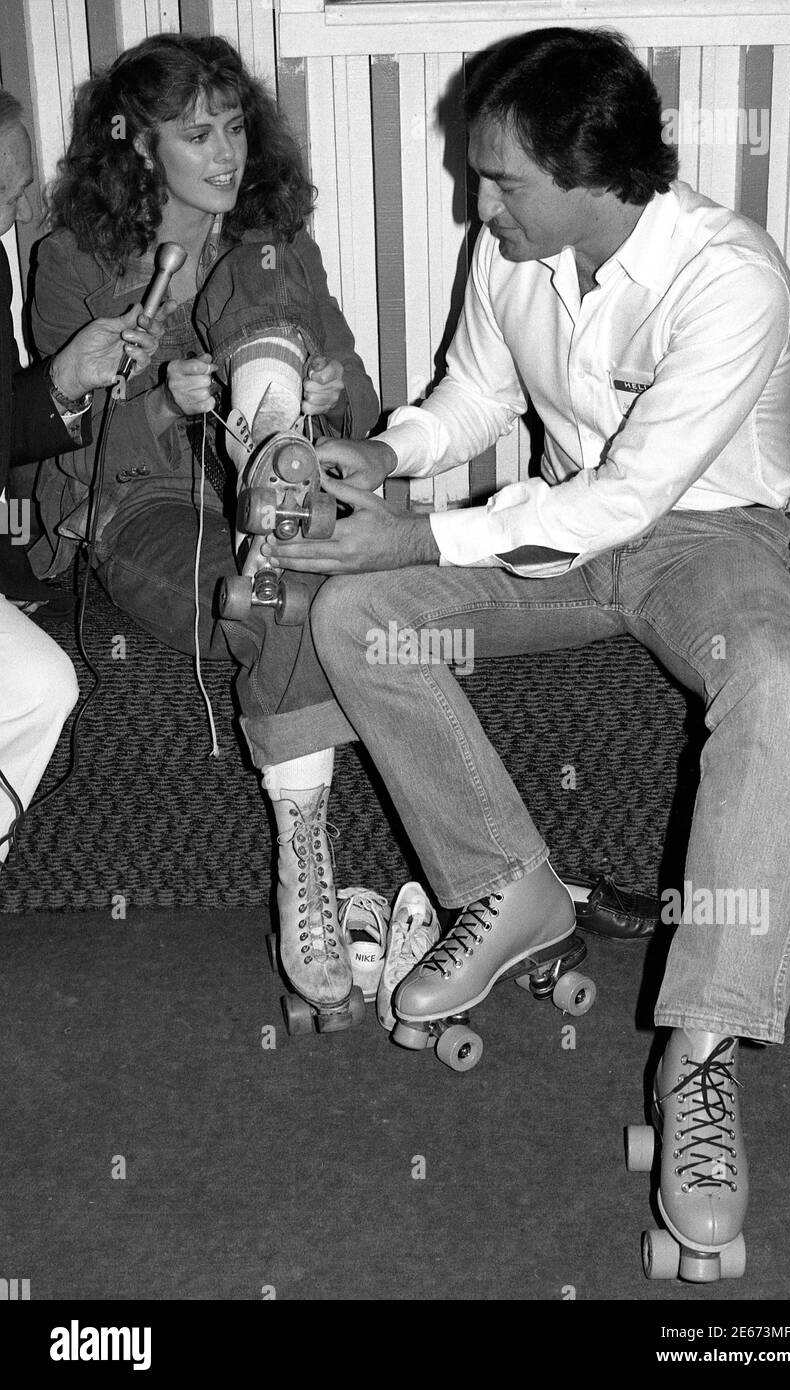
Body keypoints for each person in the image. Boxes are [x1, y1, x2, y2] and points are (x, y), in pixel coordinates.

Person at [271, 28, 790, 1279]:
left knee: (778, 675)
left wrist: (421, 531)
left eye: (502, 182)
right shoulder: (515, 250)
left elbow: (633, 499)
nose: (479, 204)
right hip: (563, 532)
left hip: (708, 540)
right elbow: (476, 392)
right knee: (356, 615)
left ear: (594, 176)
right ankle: (508, 884)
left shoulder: (732, 279)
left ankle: (702, 1054)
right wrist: (393, 453)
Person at [27, 34, 383, 1025]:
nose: (225, 153)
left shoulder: (271, 247)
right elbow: (54, 441)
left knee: (284, 578)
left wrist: (325, 396)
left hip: (265, 498)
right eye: (196, 134)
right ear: (139, 147)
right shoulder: (73, 258)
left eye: (233, 127)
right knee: (279, 597)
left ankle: (313, 862)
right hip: (141, 504)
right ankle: (303, 869)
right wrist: (154, 399)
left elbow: (359, 399)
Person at [0, 89, 165, 865]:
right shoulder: (59, 260)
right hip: (128, 504)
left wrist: (63, 379)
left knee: (41, 684)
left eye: (24, 180)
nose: (25, 205)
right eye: (3, 191)